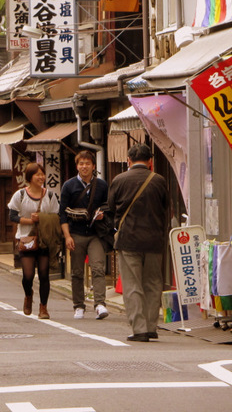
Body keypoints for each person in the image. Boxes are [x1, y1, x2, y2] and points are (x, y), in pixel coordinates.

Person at [107, 143, 169, 342]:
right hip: (154, 240)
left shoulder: (119, 180)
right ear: (150, 161)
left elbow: (110, 207)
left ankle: (139, 328)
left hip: (128, 240)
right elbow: (166, 209)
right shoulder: (159, 180)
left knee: (132, 284)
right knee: (153, 283)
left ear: (128, 161)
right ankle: (151, 327)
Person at [58, 150, 110, 320]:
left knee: (98, 267)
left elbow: (109, 207)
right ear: (77, 166)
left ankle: (100, 304)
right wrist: (67, 236)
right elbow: (62, 213)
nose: (84, 166)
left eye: (88, 163)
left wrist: (102, 214)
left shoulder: (102, 185)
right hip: (76, 233)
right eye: (81, 163)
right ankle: (78, 305)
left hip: (95, 233)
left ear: (93, 166)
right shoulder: (69, 185)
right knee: (77, 271)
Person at [8, 161, 61, 319]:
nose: (41, 177)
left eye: (42, 174)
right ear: (30, 177)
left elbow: (56, 216)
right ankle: (28, 295)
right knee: (28, 275)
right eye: (37, 174)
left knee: (44, 274)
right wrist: (30, 221)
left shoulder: (50, 195)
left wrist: (42, 218)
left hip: (45, 238)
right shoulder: (21, 195)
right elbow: (12, 216)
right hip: (26, 239)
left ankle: (43, 307)